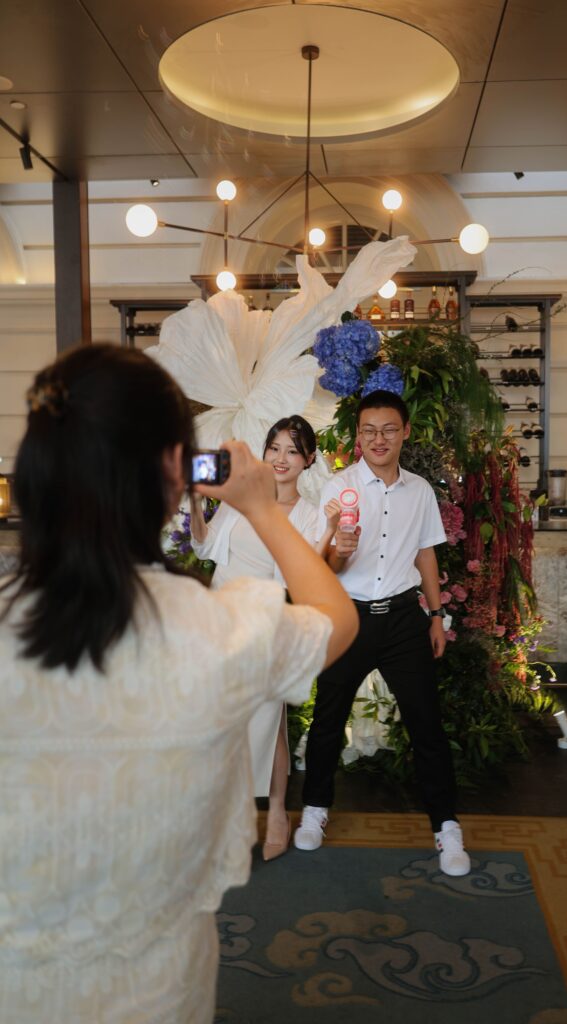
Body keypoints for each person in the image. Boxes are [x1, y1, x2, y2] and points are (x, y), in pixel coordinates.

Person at [0, 344, 357, 1024]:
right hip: (156, 997)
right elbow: (335, 621)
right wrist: (261, 508)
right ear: (176, 475)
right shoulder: (216, 633)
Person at [294, 389, 471, 877]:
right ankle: (314, 809)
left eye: (388, 429)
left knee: (426, 724)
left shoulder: (419, 491)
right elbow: (324, 568)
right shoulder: (338, 489)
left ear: (404, 432)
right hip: (347, 617)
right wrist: (341, 548)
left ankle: (447, 827)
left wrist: (437, 616)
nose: (379, 438)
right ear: (358, 436)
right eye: (369, 430)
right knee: (328, 718)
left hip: (401, 619)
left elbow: (426, 555)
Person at [189, 416, 341, 861]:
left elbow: (307, 572)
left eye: (292, 451)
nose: (280, 458)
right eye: (274, 448)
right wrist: (196, 503)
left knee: (270, 722)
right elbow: (203, 547)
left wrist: (330, 531)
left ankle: (276, 811)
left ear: (308, 460)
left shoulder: (312, 514)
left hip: (269, 620)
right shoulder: (239, 501)